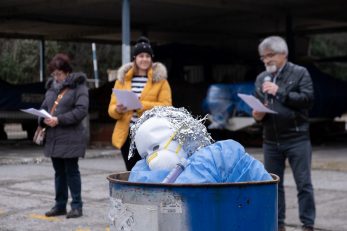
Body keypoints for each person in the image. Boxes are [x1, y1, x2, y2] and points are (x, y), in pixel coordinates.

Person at [252, 36, 315, 231]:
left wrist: (280, 92)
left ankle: (307, 224)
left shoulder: (299, 73)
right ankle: (278, 224)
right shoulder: (262, 78)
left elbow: (307, 100)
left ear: (283, 54)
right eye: (263, 57)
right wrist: (258, 114)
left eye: (270, 55)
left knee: (303, 183)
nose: (266, 60)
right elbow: (258, 106)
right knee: (273, 184)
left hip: (297, 138)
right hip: (271, 140)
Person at [108, 36, 172, 171]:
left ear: (151, 58)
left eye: (147, 56)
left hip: (151, 135)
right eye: (141, 56)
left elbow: (167, 107)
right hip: (127, 136)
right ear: (134, 59)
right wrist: (118, 109)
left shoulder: (161, 80)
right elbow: (111, 110)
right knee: (131, 172)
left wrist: (142, 106)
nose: (144, 59)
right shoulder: (122, 80)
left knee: (149, 172)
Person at [39, 53, 89, 219]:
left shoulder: (79, 87)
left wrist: (58, 120)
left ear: (67, 72)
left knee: (71, 171)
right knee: (59, 172)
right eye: (53, 74)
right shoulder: (51, 88)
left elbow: (81, 110)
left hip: (71, 137)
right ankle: (60, 205)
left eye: (59, 73)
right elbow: (45, 107)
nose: (56, 77)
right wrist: (42, 118)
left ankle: (76, 206)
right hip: (54, 138)